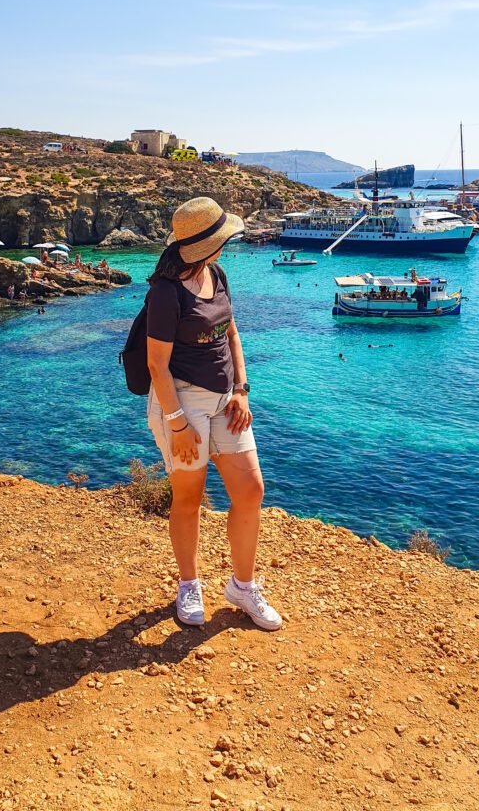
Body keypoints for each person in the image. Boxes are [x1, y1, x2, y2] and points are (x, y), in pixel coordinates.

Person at [146, 197, 282, 632]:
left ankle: (242, 586)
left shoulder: (217, 275)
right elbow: (156, 366)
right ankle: (189, 584)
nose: (228, 245)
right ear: (204, 245)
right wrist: (177, 423)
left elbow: (232, 334)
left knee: (251, 490)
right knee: (188, 499)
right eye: (222, 239)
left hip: (226, 400)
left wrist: (242, 389)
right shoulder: (165, 293)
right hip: (181, 403)